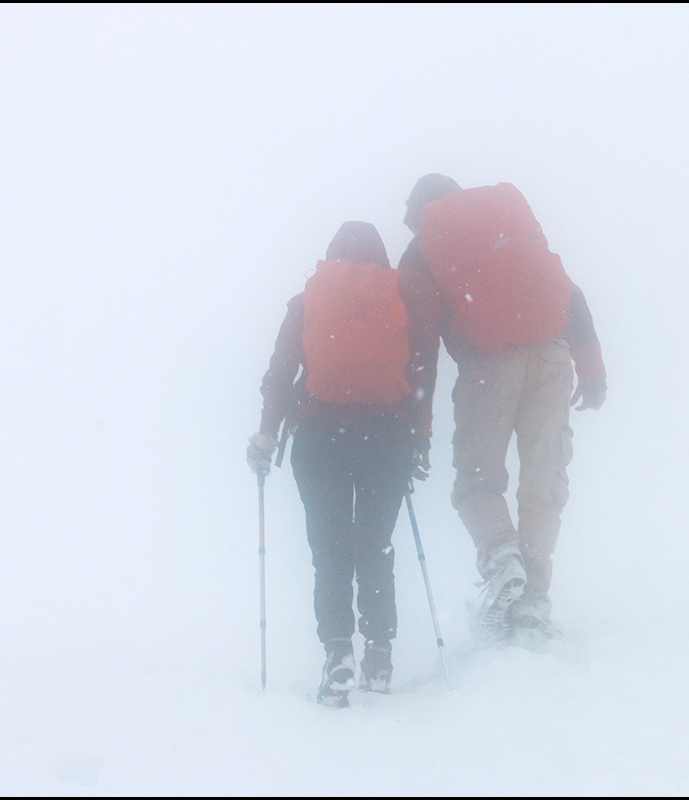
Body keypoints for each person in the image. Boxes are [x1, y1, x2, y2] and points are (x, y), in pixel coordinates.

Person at [400, 174, 608, 637]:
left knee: (477, 480)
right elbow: (571, 298)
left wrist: (418, 427)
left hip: (489, 366)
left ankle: (502, 557)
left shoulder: (423, 252)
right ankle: (533, 598)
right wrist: (593, 374)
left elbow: (421, 351)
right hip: (553, 357)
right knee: (542, 479)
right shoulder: (509, 230)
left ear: (420, 211)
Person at [247, 221, 440, 707]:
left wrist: (268, 433)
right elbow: (422, 369)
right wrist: (420, 436)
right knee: (374, 543)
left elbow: (280, 371)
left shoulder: (309, 299)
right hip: (387, 434)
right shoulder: (402, 298)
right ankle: (379, 653)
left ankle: (337, 653)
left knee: (329, 547)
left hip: (320, 433)